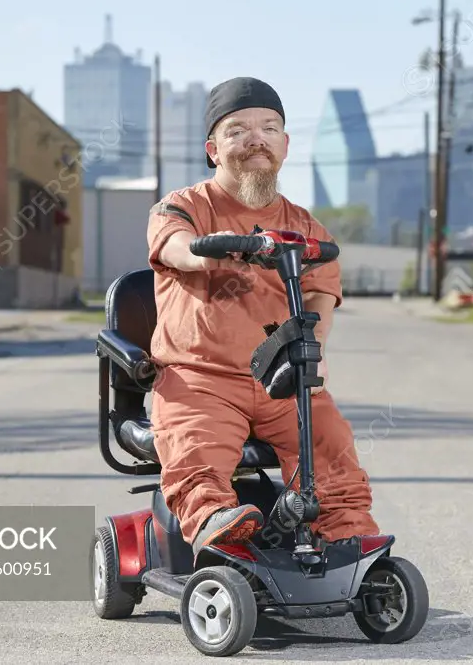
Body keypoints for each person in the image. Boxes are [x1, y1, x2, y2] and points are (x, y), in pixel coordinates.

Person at [145, 76, 381, 556]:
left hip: (279, 378)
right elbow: (174, 246)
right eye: (238, 130)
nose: (256, 139)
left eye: (269, 128)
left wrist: (309, 348)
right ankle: (216, 521)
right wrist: (213, 253)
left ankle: (347, 536)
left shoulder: (305, 225)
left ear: (285, 145)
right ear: (213, 149)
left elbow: (320, 295)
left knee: (329, 439)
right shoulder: (184, 205)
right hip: (200, 377)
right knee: (196, 443)